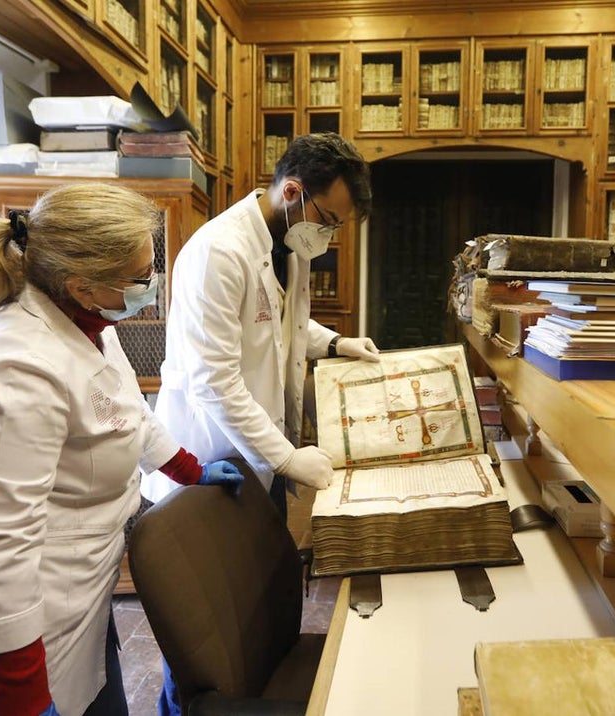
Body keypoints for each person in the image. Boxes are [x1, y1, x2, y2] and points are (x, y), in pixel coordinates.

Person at [0, 183, 243, 716]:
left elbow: (125, 410)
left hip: (72, 589)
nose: (152, 286)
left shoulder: (89, 322)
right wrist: (25, 699)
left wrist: (189, 469)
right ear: (81, 284)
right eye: (141, 277)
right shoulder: (16, 367)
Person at [140, 132, 378, 715]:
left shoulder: (286, 247)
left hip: (256, 460)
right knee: (206, 640)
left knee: (256, 612)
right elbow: (214, 380)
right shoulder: (218, 252)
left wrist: (336, 342)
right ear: (292, 191)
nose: (329, 236)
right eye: (328, 220)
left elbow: (284, 330)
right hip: (207, 463)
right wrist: (289, 457)